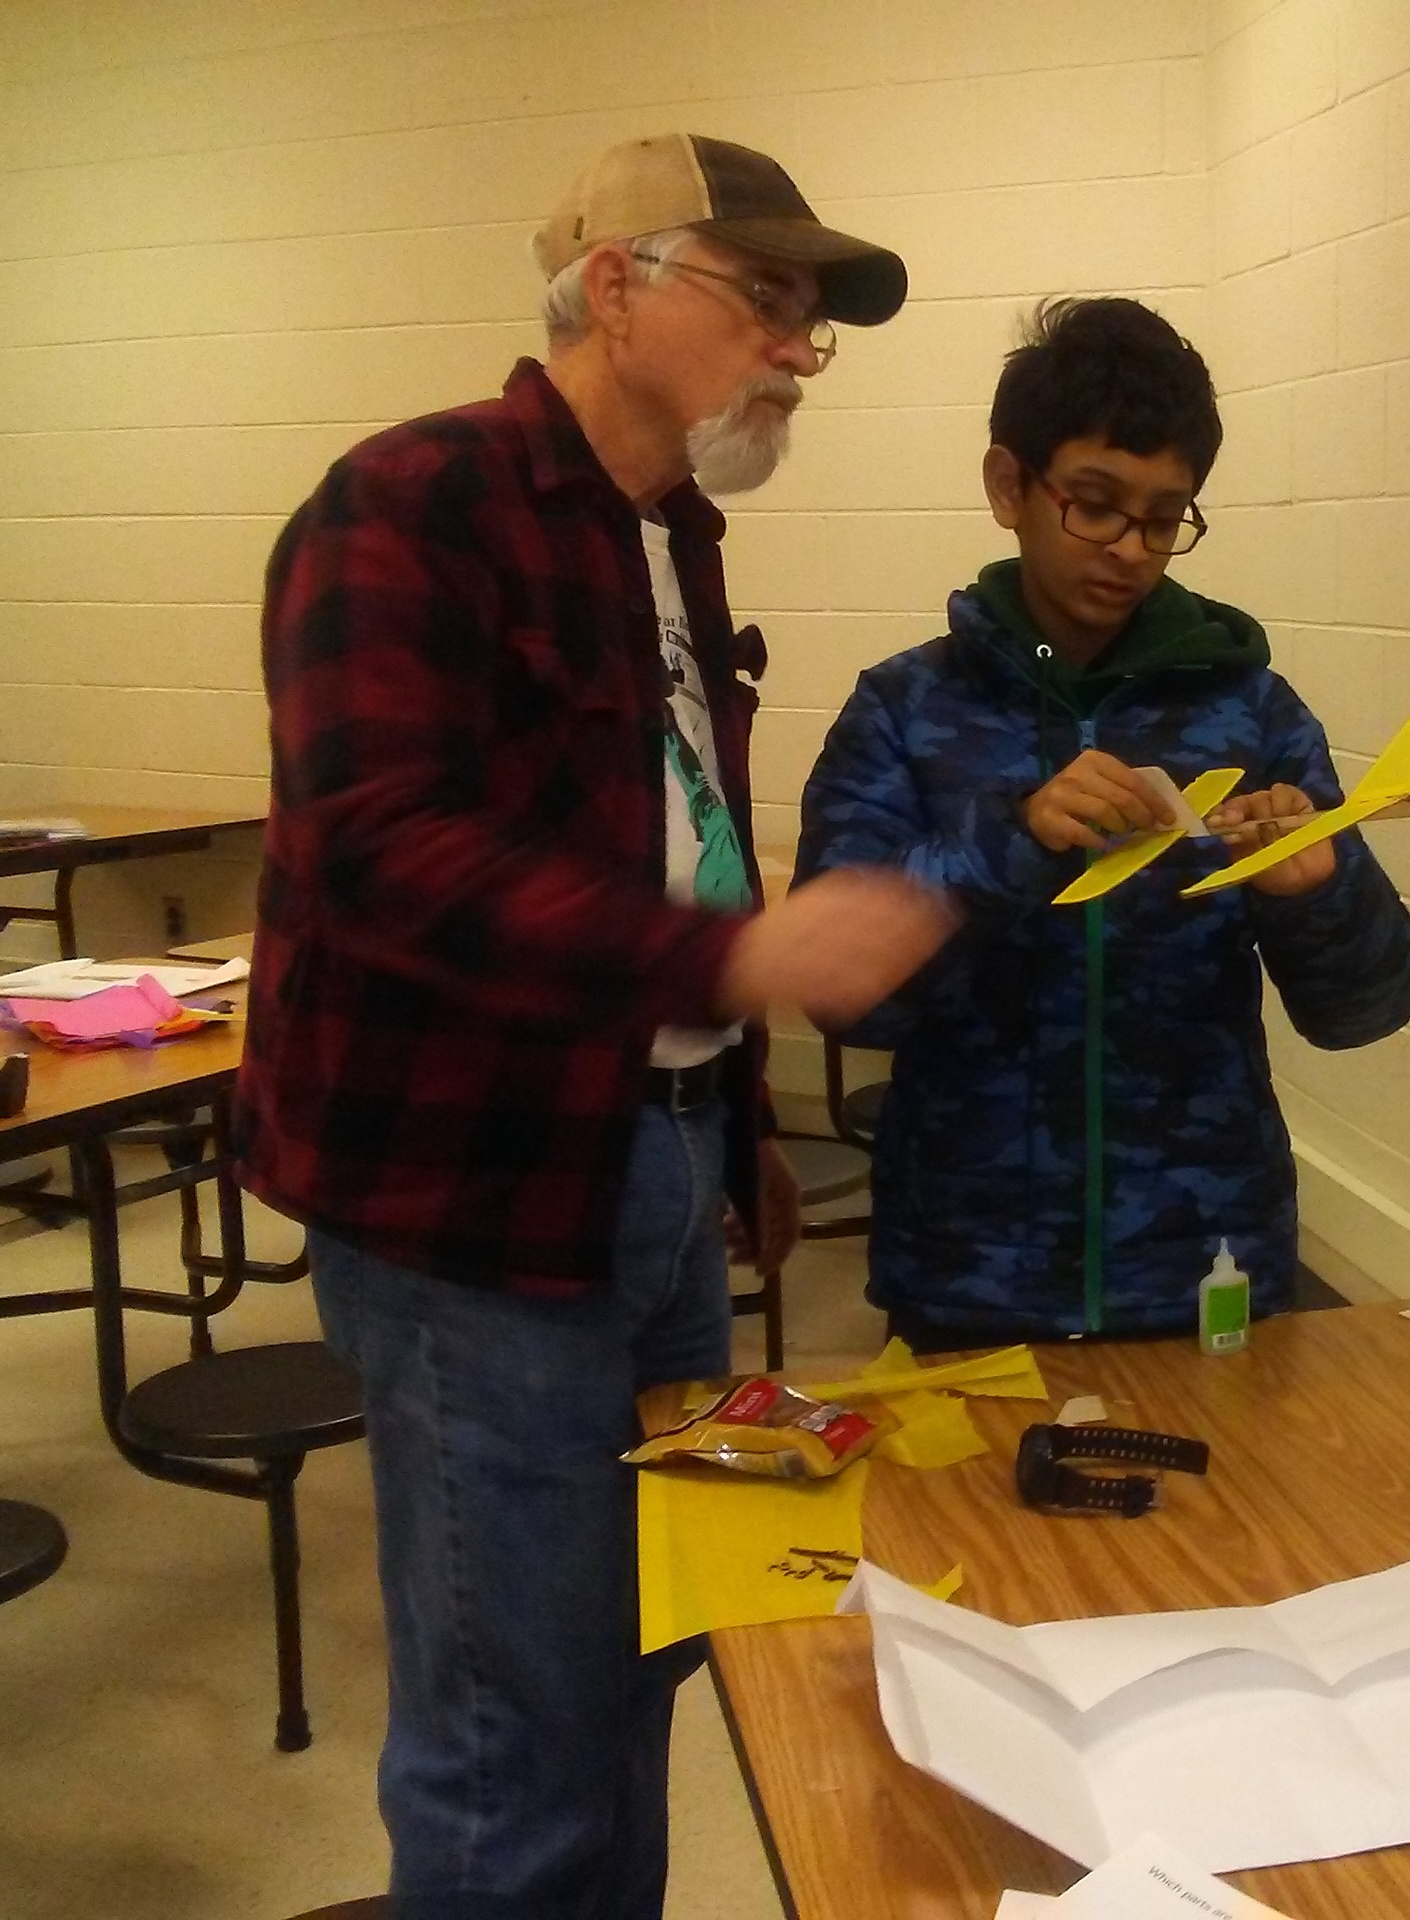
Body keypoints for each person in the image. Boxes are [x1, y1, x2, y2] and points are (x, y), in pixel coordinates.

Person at [235, 134, 955, 1917]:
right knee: (515, 1732)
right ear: (616, 285)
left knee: (645, 1663)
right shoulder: (408, 501)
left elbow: (667, 834)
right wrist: (730, 975)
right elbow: (380, 856)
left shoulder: (667, 541)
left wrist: (734, 1127)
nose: (798, 353)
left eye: (814, 322)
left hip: (651, 1173)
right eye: (766, 301)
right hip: (477, 1215)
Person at [794, 297, 1410, 1350]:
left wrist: (1322, 896)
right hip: (970, 1276)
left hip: (1207, 1270)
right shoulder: (904, 712)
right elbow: (843, 999)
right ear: (1009, 486)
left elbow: (1366, 1009)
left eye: (1164, 518)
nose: (1130, 550)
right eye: (1094, 504)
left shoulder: (1249, 712)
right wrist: (1015, 840)